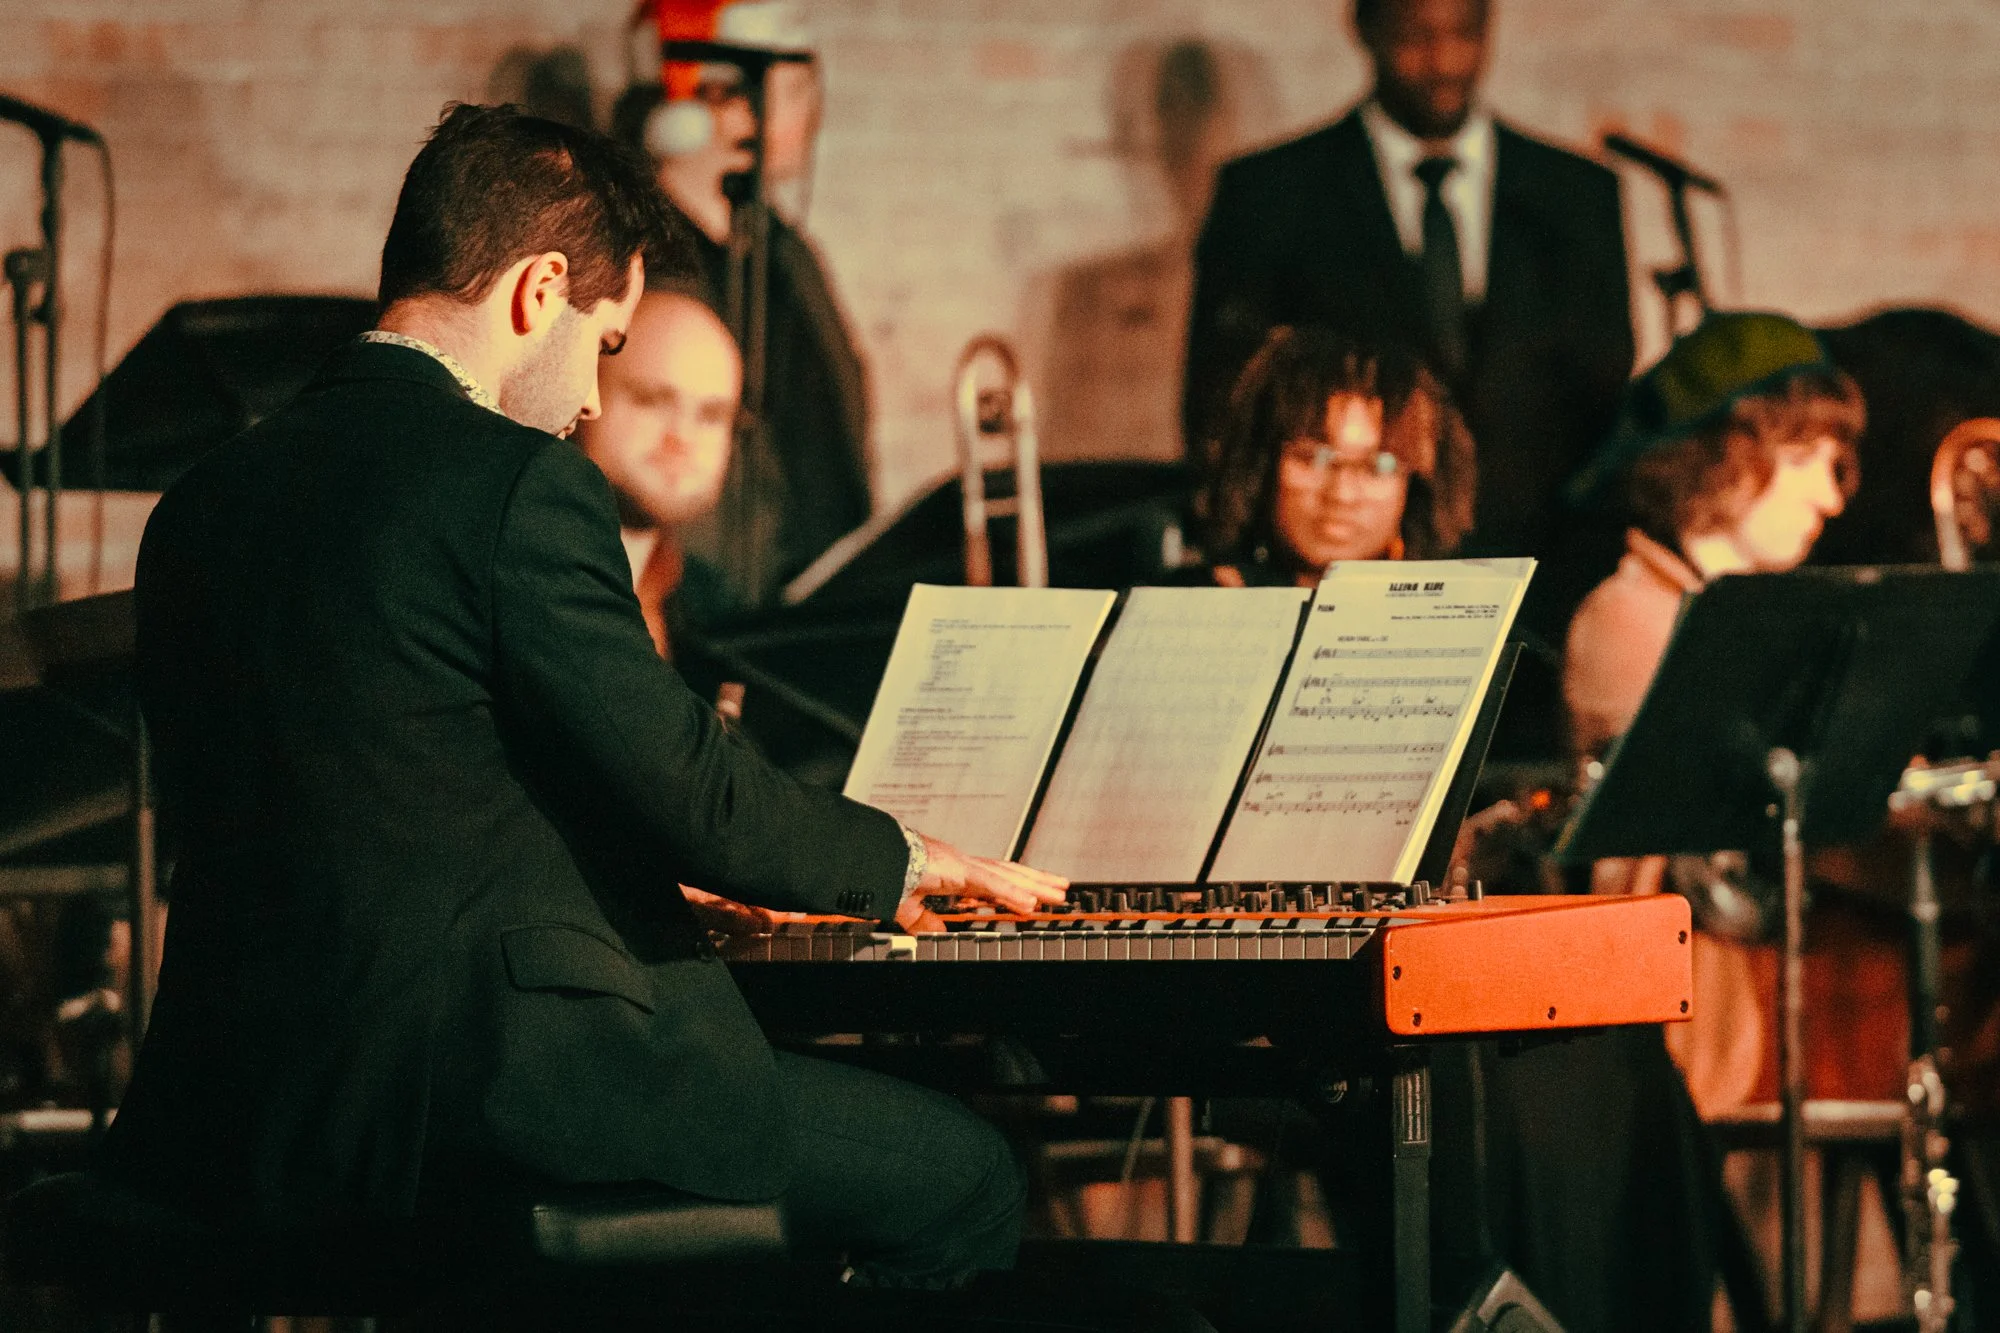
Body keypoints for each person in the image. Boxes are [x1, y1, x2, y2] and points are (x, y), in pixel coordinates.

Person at [105, 103, 1068, 1290]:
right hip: (483, 1096)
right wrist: (905, 858)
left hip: (236, 1108)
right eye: (605, 345)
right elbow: (692, 786)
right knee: (965, 1177)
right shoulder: (517, 482)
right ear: (538, 287)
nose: (594, 404)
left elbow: (397, 788)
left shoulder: (201, 503)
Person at [1183, 0, 1632, 645]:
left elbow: (1604, 400)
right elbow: (1220, 404)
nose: (1444, 62)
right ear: (1364, 30)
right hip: (1339, 604)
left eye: (1465, 35)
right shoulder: (1271, 193)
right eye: (1416, 37)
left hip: (1547, 594)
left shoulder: (1577, 193)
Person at [1565, 309, 1865, 1114]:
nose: (1829, 494)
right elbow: (1691, 869)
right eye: (1802, 456)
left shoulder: (1746, 614)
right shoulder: (1629, 616)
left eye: (1836, 462)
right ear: (1720, 459)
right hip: (1691, 996)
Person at [611, 5, 873, 609]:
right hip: (692, 611)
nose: (810, 115)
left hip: (813, 610)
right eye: (794, 89)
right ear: (719, 102)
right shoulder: (635, 256)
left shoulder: (786, 252)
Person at [1197, 325, 1474, 584]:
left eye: (1378, 466)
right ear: (1260, 464)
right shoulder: (1178, 608)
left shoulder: (1466, 628)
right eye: (1313, 458)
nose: (1341, 495)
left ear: (1418, 485)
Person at [574, 279, 744, 655]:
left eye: (712, 414)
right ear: (583, 391)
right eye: (652, 400)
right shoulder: (510, 575)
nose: (682, 437)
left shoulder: (717, 610)